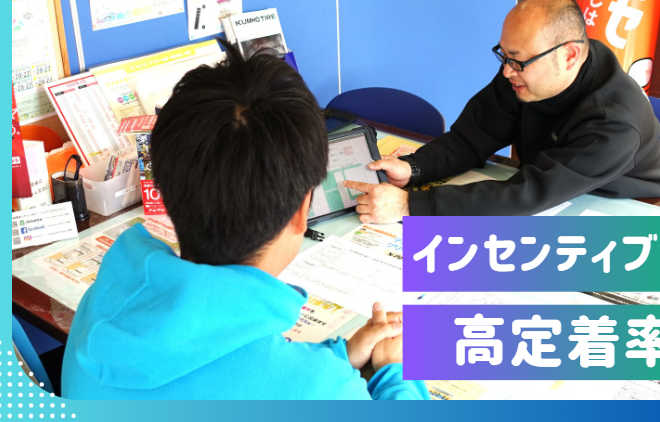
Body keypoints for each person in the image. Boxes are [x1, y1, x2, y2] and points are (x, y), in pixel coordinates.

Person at [62, 45, 428, 400]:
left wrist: (338, 358)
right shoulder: (321, 389)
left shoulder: (102, 304)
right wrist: (396, 370)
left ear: (166, 192)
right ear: (302, 211)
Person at [344, 0, 660, 221]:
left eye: (517, 60)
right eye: (504, 55)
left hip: (620, 214)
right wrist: (415, 168)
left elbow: (530, 192)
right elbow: (471, 138)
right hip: (547, 200)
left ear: (569, 55)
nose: (506, 72)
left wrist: (410, 205)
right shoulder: (524, 71)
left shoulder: (614, 121)